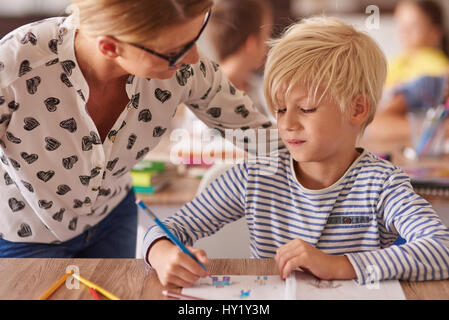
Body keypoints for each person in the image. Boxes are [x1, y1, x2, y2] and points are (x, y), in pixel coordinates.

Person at [144, 17, 449, 288]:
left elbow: (442, 249)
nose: (287, 123)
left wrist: (340, 265)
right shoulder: (257, 175)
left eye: (306, 109)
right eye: (279, 109)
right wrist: (161, 252)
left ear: (357, 109)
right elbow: (166, 229)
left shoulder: (382, 184)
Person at [0, 0, 279, 258]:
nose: (194, 58)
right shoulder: (14, 68)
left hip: (113, 217)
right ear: (110, 47)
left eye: (196, 36)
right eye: (174, 52)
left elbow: (262, 137)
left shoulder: (186, 71)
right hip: (25, 234)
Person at [204, 0, 273, 118]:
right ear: (252, 44)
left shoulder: (256, 88)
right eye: (265, 36)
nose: (267, 47)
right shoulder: (204, 94)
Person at [386, 0, 449, 90]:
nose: (404, 31)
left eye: (414, 26)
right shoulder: (395, 63)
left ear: (435, 33)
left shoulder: (440, 67)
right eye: (401, 25)